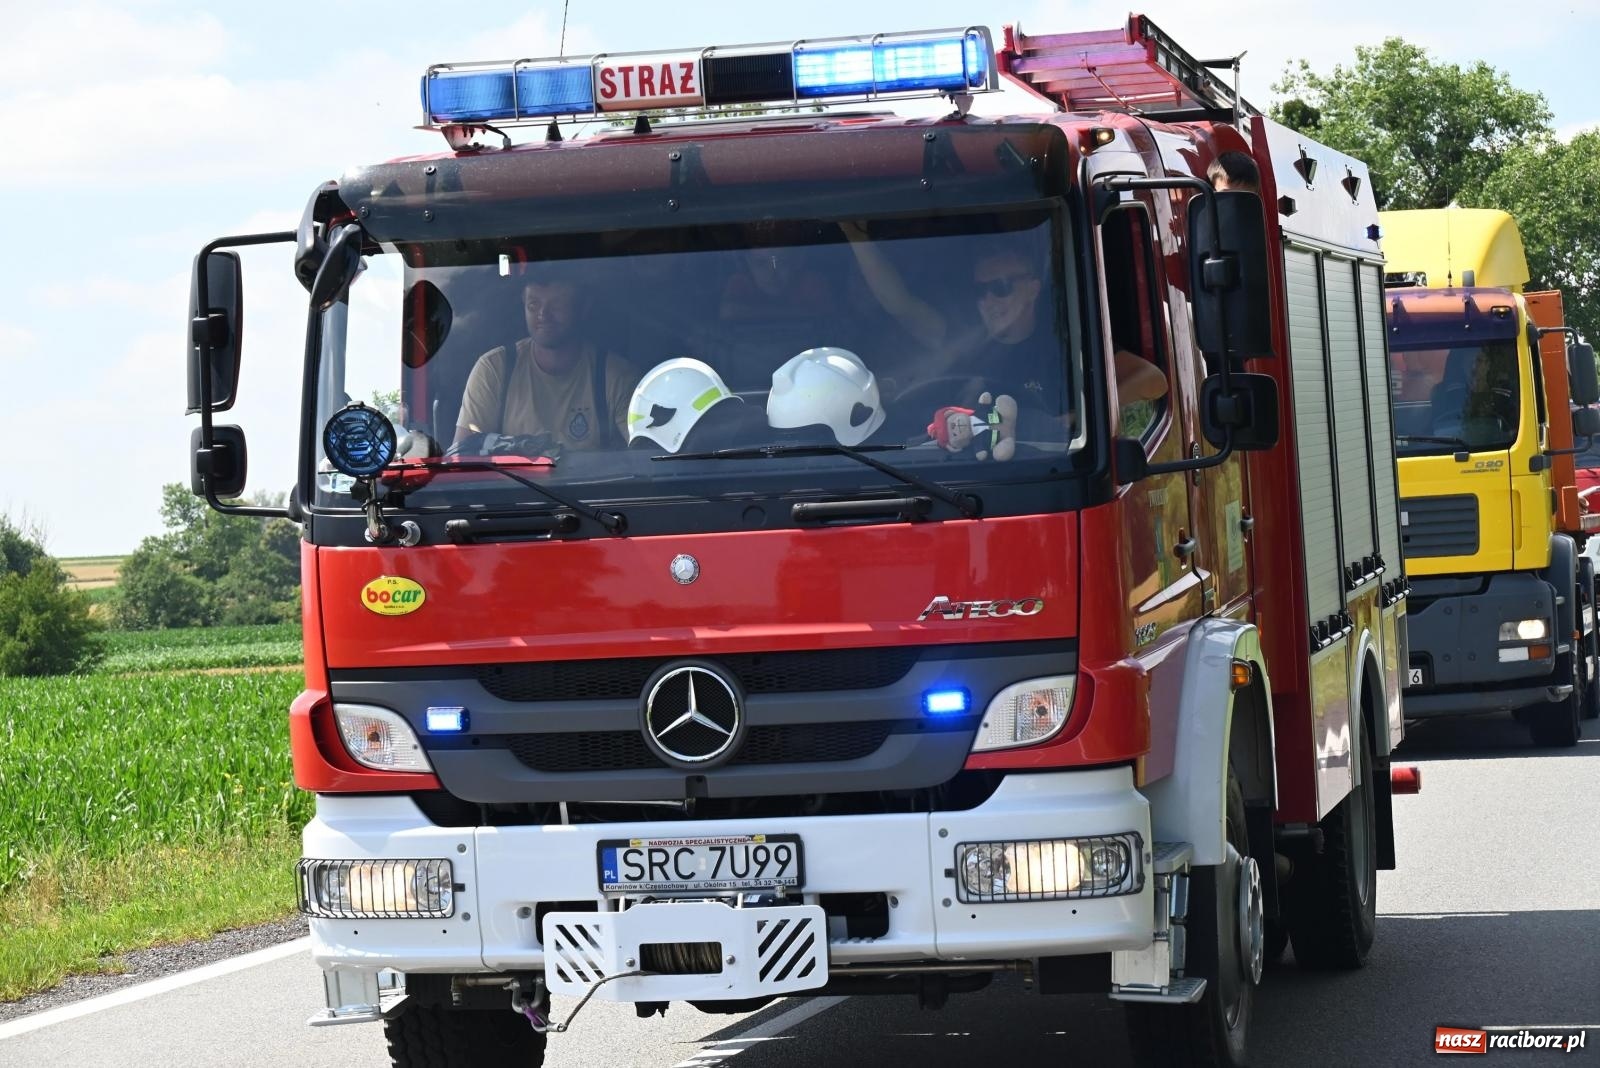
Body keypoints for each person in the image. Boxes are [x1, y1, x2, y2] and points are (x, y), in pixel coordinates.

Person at [453, 269, 638, 452]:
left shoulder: (615, 376)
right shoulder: (494, 369)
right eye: (533, 305)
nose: (543, 314)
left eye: (556, 305)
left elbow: (646, 456)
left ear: (583, 307)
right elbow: (463, 459)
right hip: (513, 483)